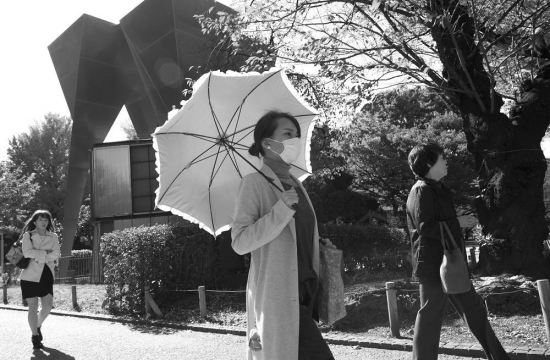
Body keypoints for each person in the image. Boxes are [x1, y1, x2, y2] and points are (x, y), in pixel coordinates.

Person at [232, 111, 335, 360]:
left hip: (305, 289)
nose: (295, 140)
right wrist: (281, 210)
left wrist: (317, 243)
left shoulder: (296, 183)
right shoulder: (253, 183)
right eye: (288, 134)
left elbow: (295, 233)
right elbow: (240, 242)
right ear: (267, 143)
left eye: (297, 135)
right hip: (279, 293)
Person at [406, 143, 510, 360]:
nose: (446, 161)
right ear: (428, 163)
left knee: (475, 311)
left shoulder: (437, 189)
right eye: (442, 158)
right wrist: (458, 222)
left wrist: (457, 223)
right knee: (430, 317)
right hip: (432, 264)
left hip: (452, 262)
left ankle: (500, 357)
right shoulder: (421, 190)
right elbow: (425, 227)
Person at [19, 210, 61, 349]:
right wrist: (46, 254)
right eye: (41, 219)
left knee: (48, 306)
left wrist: (39, 256)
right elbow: (27, 252)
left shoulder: (53, 236)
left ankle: (37, 326)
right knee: (33, 307)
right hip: (29, 276)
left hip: (47, 274)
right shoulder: (28, 235)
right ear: (34, 221)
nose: (44, 222)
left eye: (46, 220)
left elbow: (56, 254)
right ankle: (35, 336)